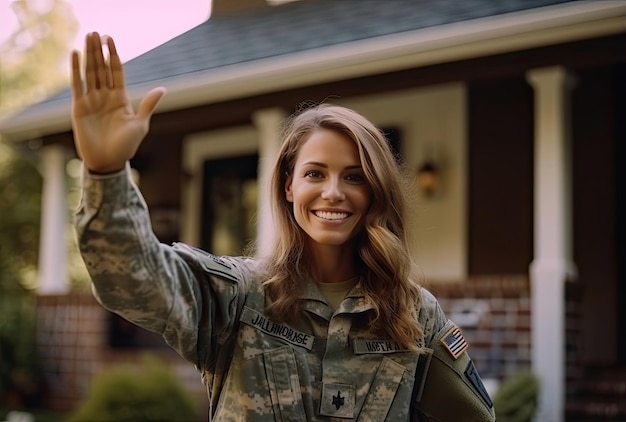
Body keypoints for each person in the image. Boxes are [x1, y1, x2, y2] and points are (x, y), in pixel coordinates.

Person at [71, 32, 496, 421]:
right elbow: (130, 278)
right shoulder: (236, 296)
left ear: (377, 192)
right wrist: (106, 170)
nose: (333, 192)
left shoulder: (414, 313)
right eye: (315, 174)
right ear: (288, 187)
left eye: (354, 176)